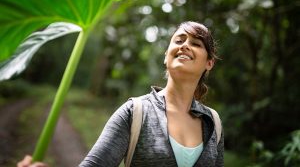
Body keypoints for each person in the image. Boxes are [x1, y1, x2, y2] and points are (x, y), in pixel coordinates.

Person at [18, 21, 224, 167]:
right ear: (166, 57)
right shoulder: (135, 112)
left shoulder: (213, 122)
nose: (185, 45)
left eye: (196, 44)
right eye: (179, 40)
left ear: (209, 63)